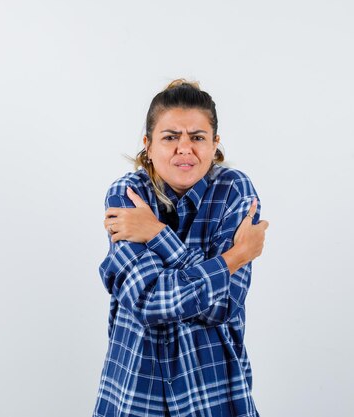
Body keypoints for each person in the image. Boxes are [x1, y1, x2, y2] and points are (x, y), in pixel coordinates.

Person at [92, 79, 269, 417]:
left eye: (198, 137)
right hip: (135, 394)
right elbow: (150, 301)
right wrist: (235, 257)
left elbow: (224, 304)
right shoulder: (126, 196)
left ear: (215, 144)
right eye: (171, 137)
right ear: (148, 144)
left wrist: (157, 234)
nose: (184, 149)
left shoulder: (235, 191)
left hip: (214, 395)